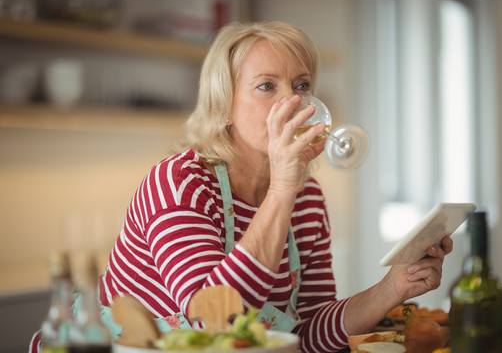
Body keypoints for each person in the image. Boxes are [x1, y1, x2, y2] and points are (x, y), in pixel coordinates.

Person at [31, 21, 452, 353]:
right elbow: (213, 324)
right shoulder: (179, 183)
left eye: (302, 85)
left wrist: (391, 288)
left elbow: (305, 335)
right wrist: (283, 187)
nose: (294, 104)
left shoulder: (307, 200)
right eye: (267, 86)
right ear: (224, 104)